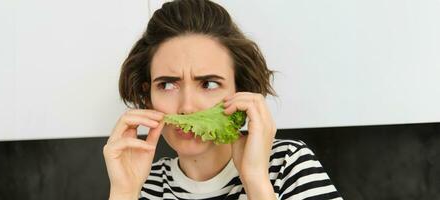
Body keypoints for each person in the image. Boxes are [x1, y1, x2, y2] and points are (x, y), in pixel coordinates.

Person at [103, 0, 342, 199]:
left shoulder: (288, 164)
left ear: (241, 91)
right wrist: (124, 192)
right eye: (167, 85)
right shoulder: (141, 182)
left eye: (208, 84)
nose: (187, 106)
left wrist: (256, 181)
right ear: (148, 98)